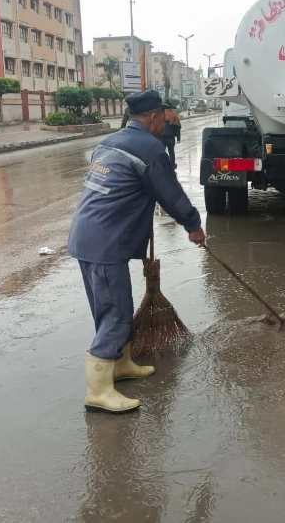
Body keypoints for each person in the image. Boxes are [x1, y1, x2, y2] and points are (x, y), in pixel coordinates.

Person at [68, 90, 206, 414]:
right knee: (115, 312)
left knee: (112, 306)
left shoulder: (109, 142)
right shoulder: (149, 148)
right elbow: (170, 194)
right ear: (153, 117)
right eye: (164, 119)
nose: (165, 125)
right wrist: (193, 225)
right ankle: (99, 391)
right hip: (104, 242)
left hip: (88, 236)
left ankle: (121, 364)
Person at [160, 101, 182, 168]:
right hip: (171, 138)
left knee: (162, 152)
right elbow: (177, 127)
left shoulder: (160, 114)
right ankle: (172, 165)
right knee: (171, 152)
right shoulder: (174, 115)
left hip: (161, 137)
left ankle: (163, 164)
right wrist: (178, 138)